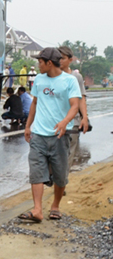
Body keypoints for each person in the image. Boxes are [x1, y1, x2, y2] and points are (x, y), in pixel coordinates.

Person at [18, 47, 81, 223]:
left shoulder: (69, 81)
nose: (38, 65)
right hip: (38, 134)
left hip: (60, 135)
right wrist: (28, 126)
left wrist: (63, 122)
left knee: (60, 175)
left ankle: (55, 206)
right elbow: (35, 103)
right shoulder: (38, 79)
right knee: (36, 172)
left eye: (40, 62)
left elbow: (74, 105)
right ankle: (37, 210)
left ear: (49, 63)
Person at [58, 46, 88, 175]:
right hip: (55, 121)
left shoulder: (76, 77)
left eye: (63, 58)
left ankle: (62, 181)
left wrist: (84, 118)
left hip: (73, 122)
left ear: (70, 60)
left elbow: (81, 99)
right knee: (54, 152)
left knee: (69, 153)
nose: (60, 61)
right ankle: (56, 177)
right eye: (58, 57)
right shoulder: (52, 75)